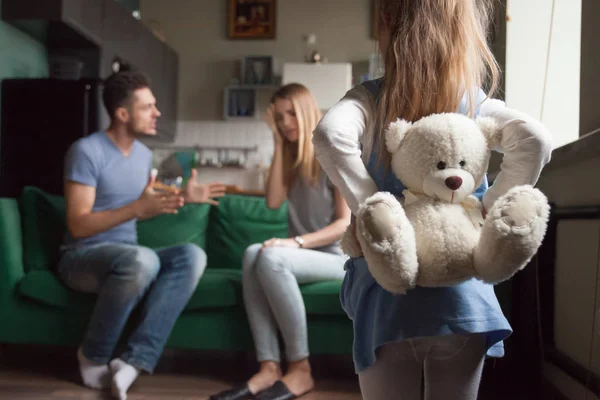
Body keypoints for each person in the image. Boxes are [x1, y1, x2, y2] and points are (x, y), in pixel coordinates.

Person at [312, 1, 553, 399]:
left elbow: (328, 138)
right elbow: (536, 140)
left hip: (388, 297)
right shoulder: (475, 105)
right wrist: (489, 206)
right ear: (465, 32)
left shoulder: (369, 100)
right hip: (463, 295)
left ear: (386, 22)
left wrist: (372, 206)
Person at [58, 70, 224, 400]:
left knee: (192, 255)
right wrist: (136, 207)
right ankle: (94, 354)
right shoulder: (86, 151)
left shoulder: (145, 156)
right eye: (148, 107)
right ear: (122, 114)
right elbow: (78, 224)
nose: (157, 113)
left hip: (128, 257)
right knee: (142, 259)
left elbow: (149, 203)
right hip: (82, 258)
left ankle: (136, 360)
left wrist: (187, 197)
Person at [209, 83, 351, 400]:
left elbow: (345, 224)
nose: (286, 123)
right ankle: (269, 367)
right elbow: (273, 202)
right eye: (280, 117)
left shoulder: (332, 153)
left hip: (340, 257)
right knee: (250, 254)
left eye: (291, 114)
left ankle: (301, 369)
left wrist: (296, 243)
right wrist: (276, 142)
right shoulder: (291, 157)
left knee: (271, 258)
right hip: (306, 256)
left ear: (306, 112)